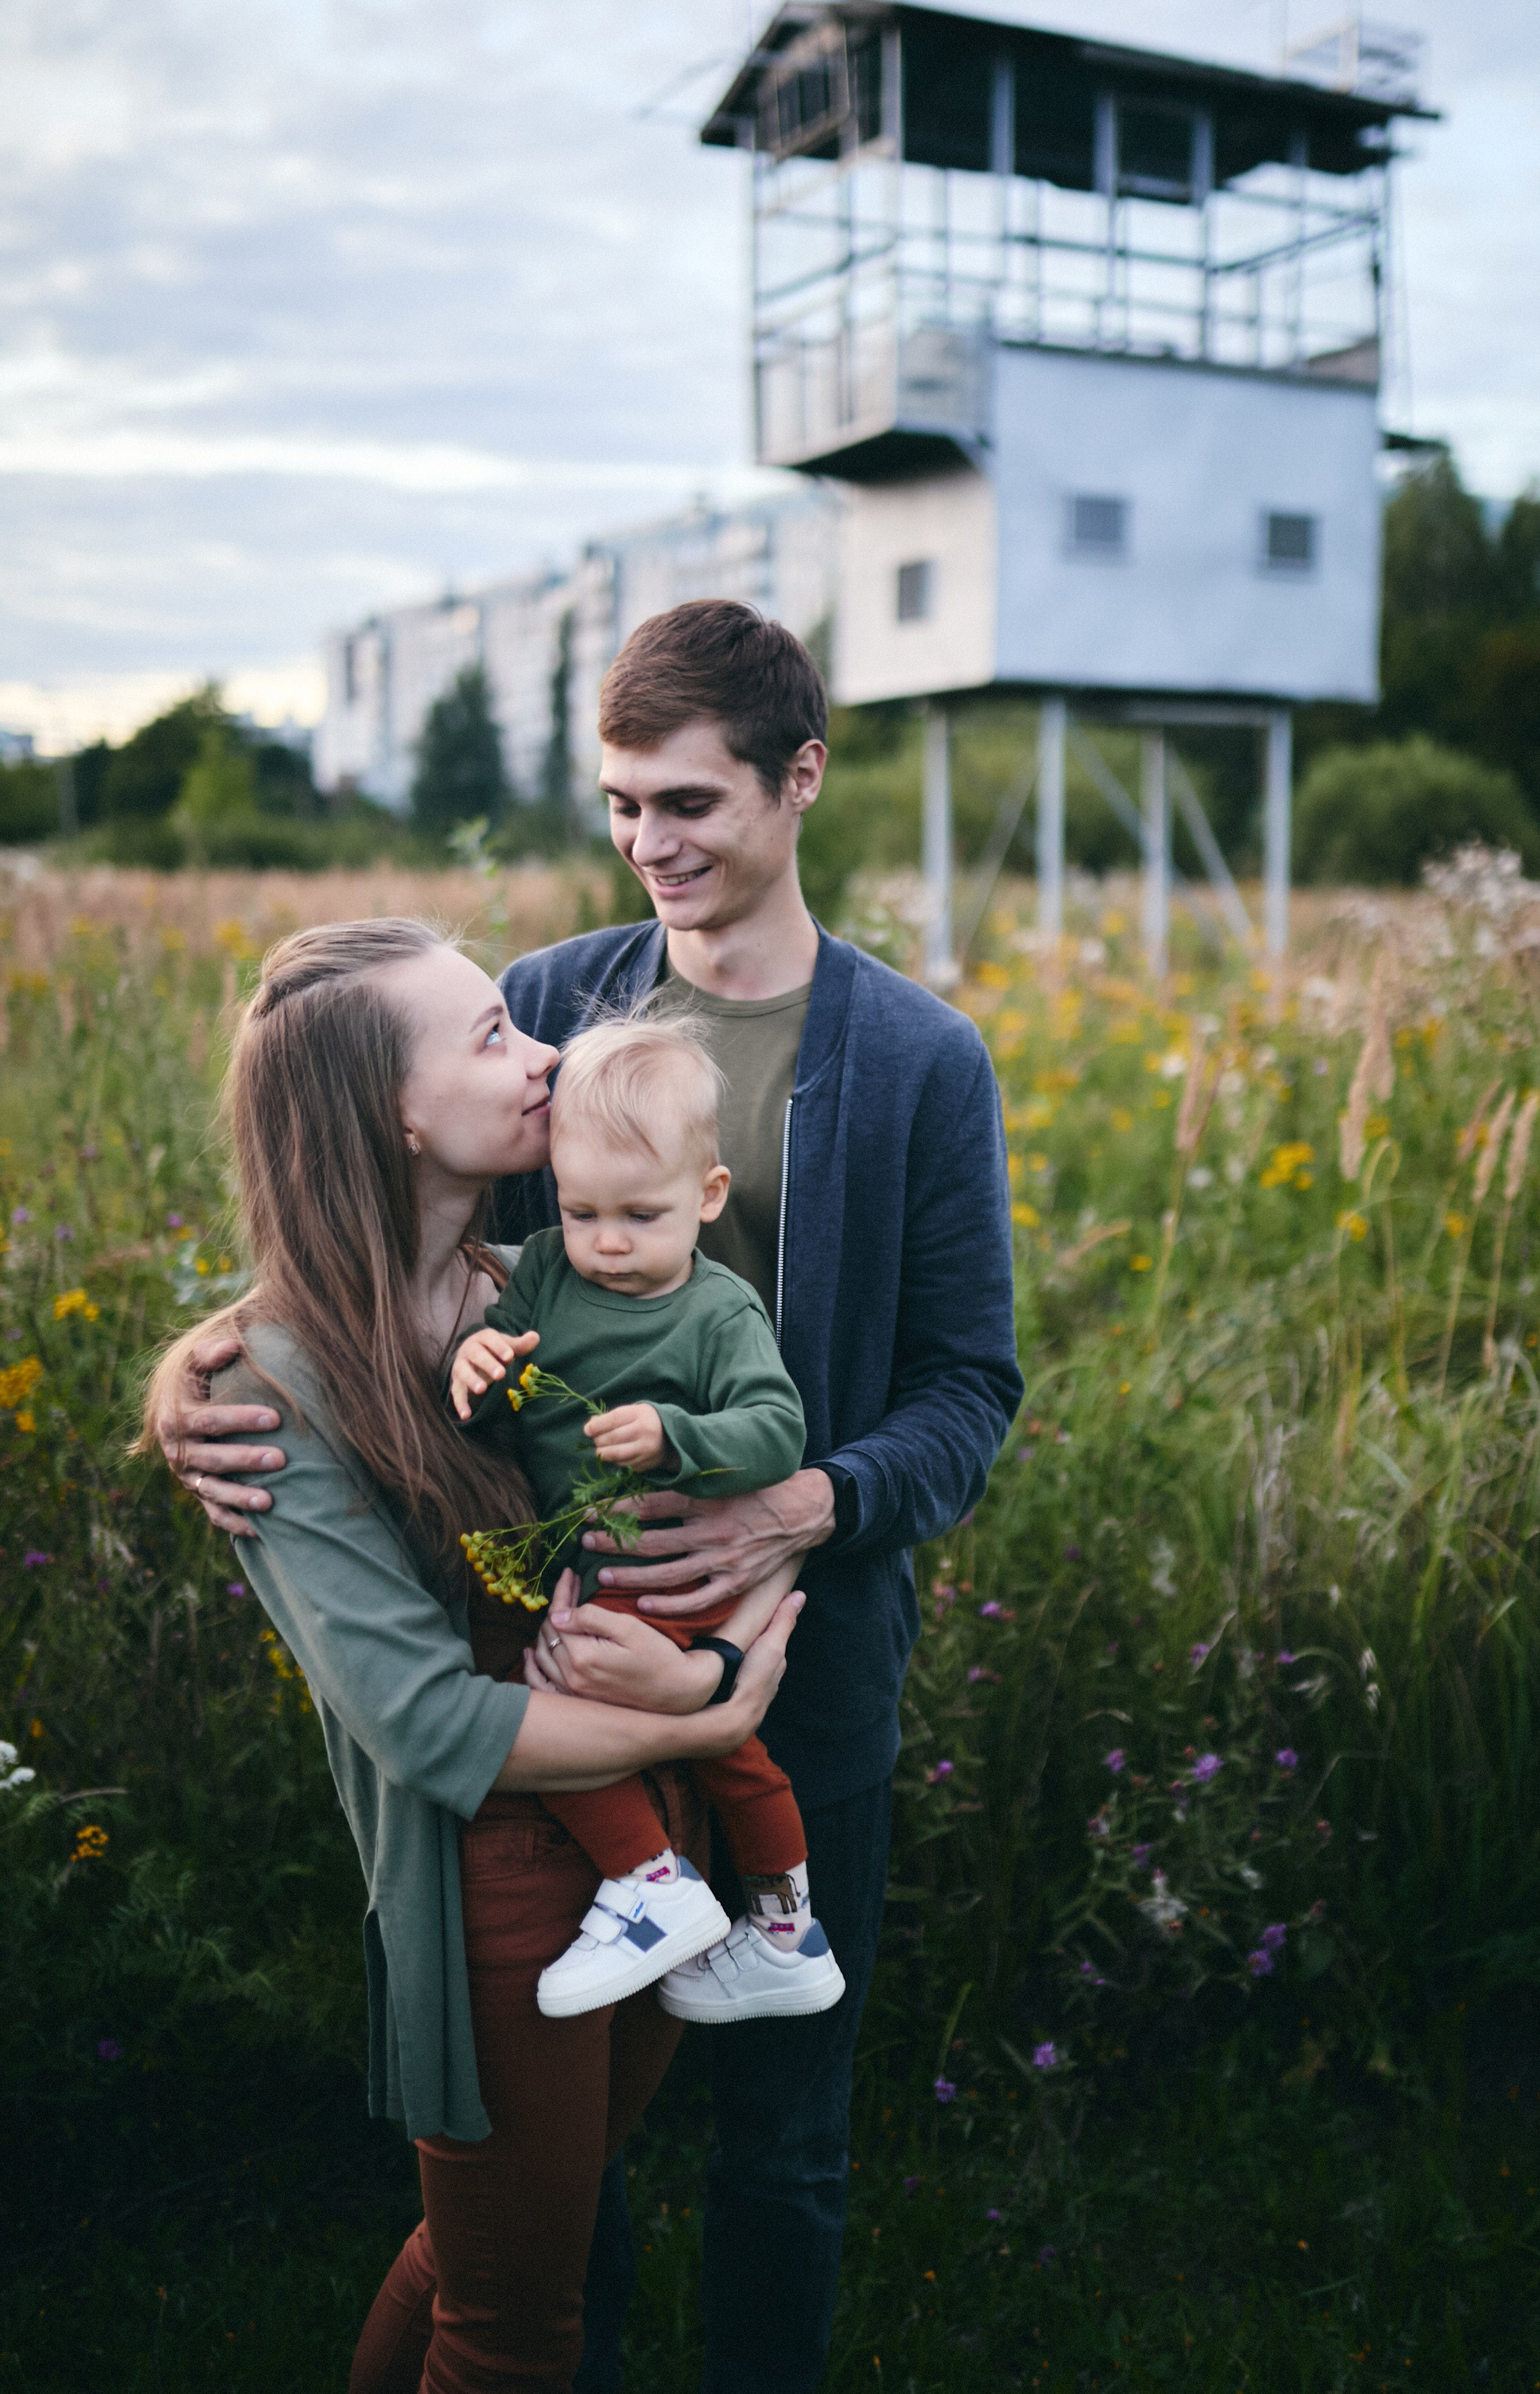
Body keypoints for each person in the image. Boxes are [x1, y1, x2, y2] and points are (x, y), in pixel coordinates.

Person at [161, 598, 1024, 2394]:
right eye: (623, 803)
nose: (650, 845)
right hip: (559, 1667)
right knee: (578, 2154)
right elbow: (368, 1234)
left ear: (802, 778)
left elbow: (968, 1389)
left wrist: (809, 1506)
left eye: (691, 802)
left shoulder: (919, 1063)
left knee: (783, 2136)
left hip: (805, 1666)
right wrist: (194, 1363)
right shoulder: (547, 1008)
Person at [144, 917, 800, 2393]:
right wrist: (705, 1718)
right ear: (392, 1113)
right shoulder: (266, 1387)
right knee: (516, 2329)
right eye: (492, 1037)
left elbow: (727, 1454)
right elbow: (432, 1724)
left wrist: (717, 1653)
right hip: (495, 1888)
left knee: (487, 2257)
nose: (544, 1056)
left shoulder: (541, 1287)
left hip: (654, 1856)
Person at [450, 1013, 843, 2024]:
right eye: (583, 1213)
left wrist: (675, 1436)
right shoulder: (544, 1268)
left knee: (602, 1725)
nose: (609, 1244)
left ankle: (684, 1897)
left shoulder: (718, 1313)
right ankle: (754, 1920)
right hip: (570, 1564)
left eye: (640, 1214)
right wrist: (480, 1368)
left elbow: (776, 1430)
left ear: (709, 1197)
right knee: (682, 1743)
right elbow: (501, 1373)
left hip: (664, 1574)